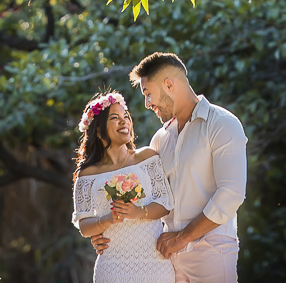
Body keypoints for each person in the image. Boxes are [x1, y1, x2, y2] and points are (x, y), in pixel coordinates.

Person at [90, 53, 248, 283]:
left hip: (212, 252)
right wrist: (105, 231)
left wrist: (183, 237)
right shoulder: (159, 140)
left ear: (169, 84)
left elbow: (231, 194)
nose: (147, 104)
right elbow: (145, 202)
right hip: (165, 257)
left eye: (148, 93)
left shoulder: (222, 124)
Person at [72, 90, 176, 283]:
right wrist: (107, 220)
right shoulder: (87, 175)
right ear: (98, 129)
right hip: (112, 269)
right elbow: (84, 226)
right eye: (115, 118)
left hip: (154, 264)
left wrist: (138, 212)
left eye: (125, 117)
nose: (124, 121)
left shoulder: (147, 157)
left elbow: (165, 202)